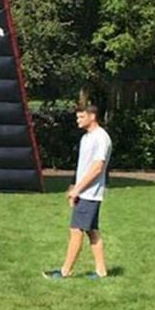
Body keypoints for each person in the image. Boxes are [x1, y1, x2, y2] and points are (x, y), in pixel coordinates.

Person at [43, 104, 112, 280]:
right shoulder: (86, 138)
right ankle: (101, 271)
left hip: (90, 194)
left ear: (92, 116)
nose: (78, 120)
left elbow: (97, 168)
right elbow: (84, 166)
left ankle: (65, 271)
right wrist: (74, 186)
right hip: (83, 192)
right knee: (92, 231)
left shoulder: (101, 138)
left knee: (76, 230)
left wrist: (79, 190)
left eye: (81, 117)